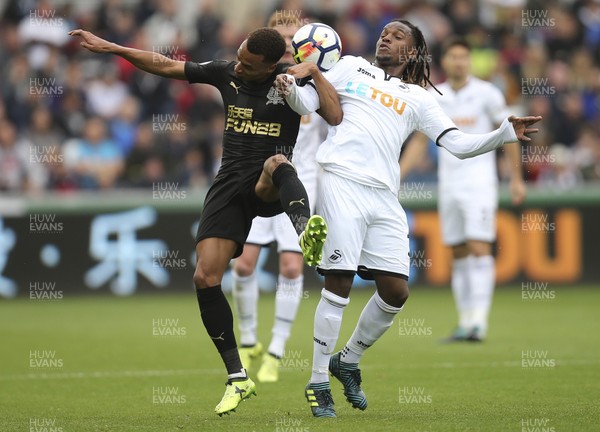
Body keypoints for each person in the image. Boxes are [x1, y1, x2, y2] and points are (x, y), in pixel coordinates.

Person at [69, 26, 342, 416]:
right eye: (240, 55)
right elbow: (164, 64)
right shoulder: (226, 71)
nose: (240, 64)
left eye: (249, 62)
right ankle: (237, 377)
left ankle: (304, 232)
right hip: (229, 185)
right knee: (205, 277)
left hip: (267, 185)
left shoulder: (291, 80)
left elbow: (334, 115)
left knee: (278, 161)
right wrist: (111, 46)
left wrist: (313, 72)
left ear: (269, 65)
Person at [275, 19, 541, 418]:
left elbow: (459, 145)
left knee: (396, 291)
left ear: (413, 52)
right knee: (339, 282)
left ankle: (347, 359)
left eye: (398, 35)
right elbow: (310, 107)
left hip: (385, 194)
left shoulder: (419, 99)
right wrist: (293, 88)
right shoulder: (347, 66)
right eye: (384, 32)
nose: (386, 36)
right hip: (341, 180)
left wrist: (503, 133)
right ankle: (316, 382)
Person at [400, 37, 526, 343]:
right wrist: (398, 176)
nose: (459, 62)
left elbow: (508, 134)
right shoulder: (433, 96)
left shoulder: (487, 94)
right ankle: (465, 321)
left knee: (479, 245)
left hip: (479, 183)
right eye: (453, 57)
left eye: (463, 57)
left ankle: (479, 323)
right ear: (444, 61)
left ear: (469, 61)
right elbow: (418, 141)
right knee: (457, 250)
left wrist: (516, 178)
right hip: (449, 184)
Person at [232, 13, 328, 384]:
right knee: (242, 265)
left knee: (290, 268)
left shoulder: (318, 80)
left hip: (301, 185)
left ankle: (276, 349)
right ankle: (249, 339)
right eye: (282, 37)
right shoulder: (259, 77)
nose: (289, 43)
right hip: (260, 181)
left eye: (295, 37)